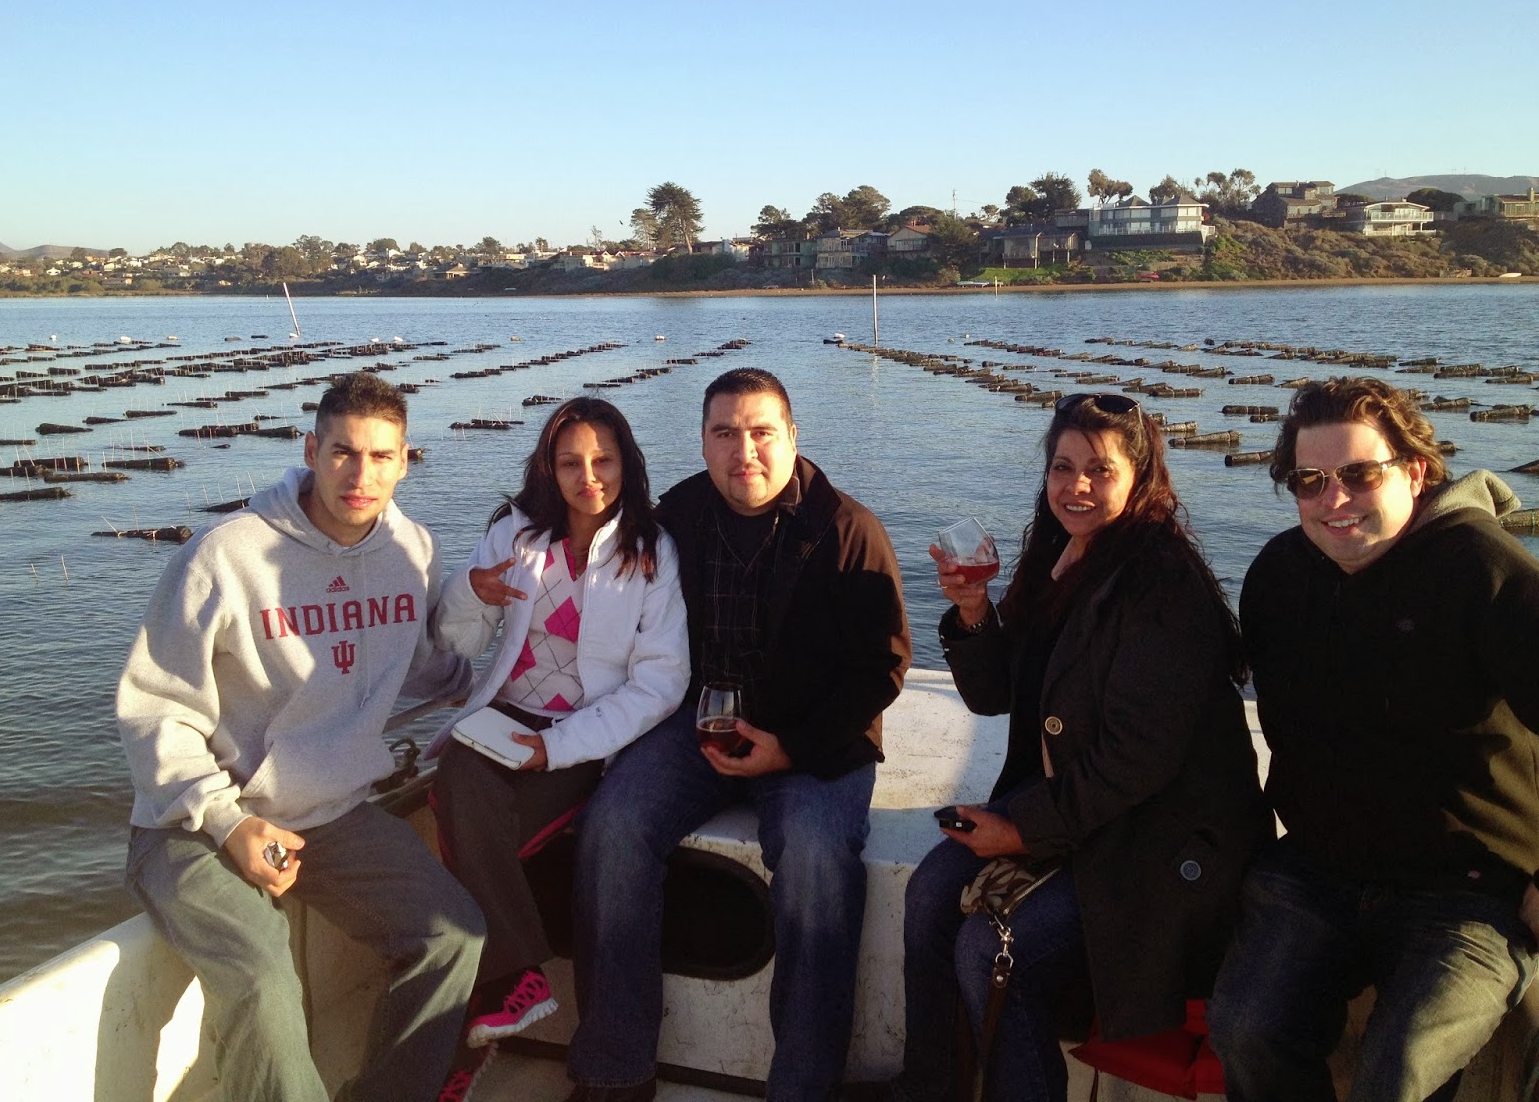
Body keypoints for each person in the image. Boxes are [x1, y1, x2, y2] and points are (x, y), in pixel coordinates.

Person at [116, 372, 484, 1102]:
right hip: (193, 821)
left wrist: (525, 672)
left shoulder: (410, 550)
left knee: (454, 936)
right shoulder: (223, 557)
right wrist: (229, 821)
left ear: (406, 460)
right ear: (311, 449)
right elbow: (154, 709)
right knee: (260, 977)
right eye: (343, 452)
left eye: (382, 457)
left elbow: (424, 667)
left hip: (329, 813)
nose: (361, 474)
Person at [898, 392, 1268, 1102]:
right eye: (1063, 468)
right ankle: (929, 1086)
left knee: (991, 951)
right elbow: (999, 696)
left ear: (1141, 477)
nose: (1077, 487)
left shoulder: (1160, 583)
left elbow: (1138, 761)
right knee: (928, 892)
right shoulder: (1060, 559)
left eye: (1100, 470)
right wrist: (974, 615)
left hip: (1157, 843)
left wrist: (1020, 826)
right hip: (1084, 820)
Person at [565, 367, 911, 1102]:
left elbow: (880, 671)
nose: (742, 451)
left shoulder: (848, 530)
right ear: (703, 440)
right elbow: (603, 589)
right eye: (725, 433)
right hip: (696, 729)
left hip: (812, 743)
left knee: (817, 861)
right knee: (613, 828)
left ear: (792, 436)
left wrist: (791, 747)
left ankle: (803, 1087)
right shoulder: (677, 518)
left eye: (761, 432)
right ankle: (614, 1072)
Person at [1209, 376, 1539, 1102]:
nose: (1335, 500)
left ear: (1415, 471)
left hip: (1470, 887)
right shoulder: (1279, 576)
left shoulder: (1484, 569)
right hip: (1319, 870)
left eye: (1360, 474)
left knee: (1401, 1068)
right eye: (1310, 481)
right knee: (1245, 1029)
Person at [428, 397, 689, 1046]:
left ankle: (488, 994)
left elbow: (661, 683)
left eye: (603, 459)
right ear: (548, 468)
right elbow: (456, 645)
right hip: (502, 718)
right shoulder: (514, 533)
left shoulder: (651, 549)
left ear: (627, 461)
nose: (589, 476)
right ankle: (515, 977)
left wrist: (556, 748)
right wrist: (468, 593)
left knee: (468, 840)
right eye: (570, 462)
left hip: (589, 732)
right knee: (458, 773)